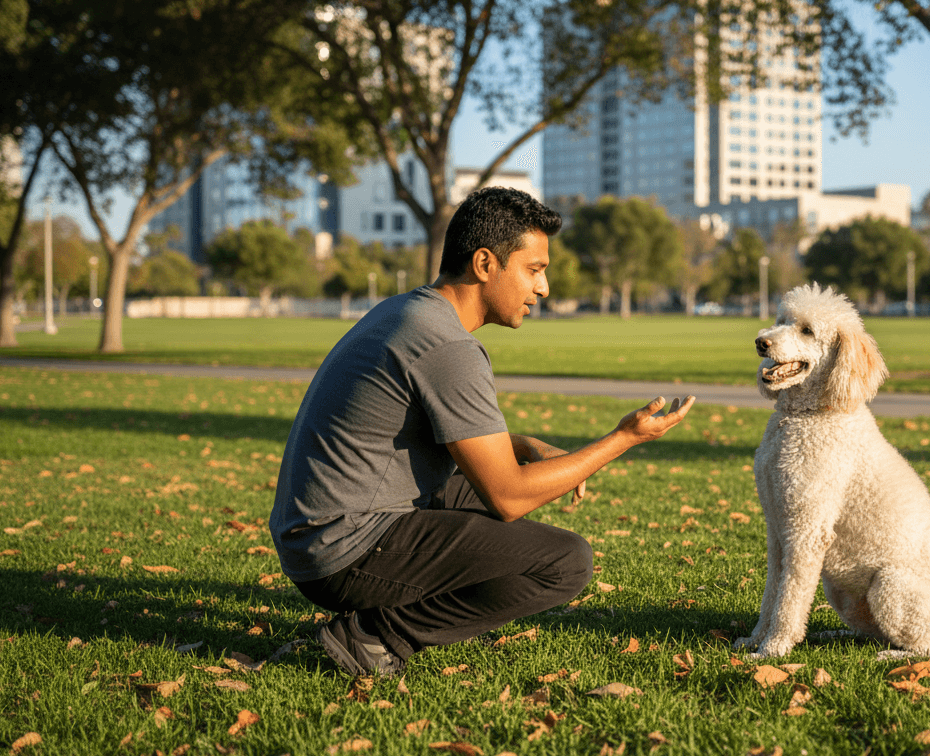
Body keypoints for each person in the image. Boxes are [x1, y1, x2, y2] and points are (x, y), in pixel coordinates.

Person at [269, 187, 695, 676]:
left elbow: (423, 430)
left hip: (318, 533)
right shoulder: (445, 344)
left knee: (492, 500)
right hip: (343, 548)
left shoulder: (409, 312)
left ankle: (376, 621)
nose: (544, 289)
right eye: (534, 270)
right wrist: (624, 438)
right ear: (486, 263)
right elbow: (508, 497)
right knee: (566, 563)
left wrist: (523, 445)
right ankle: (376, 636)